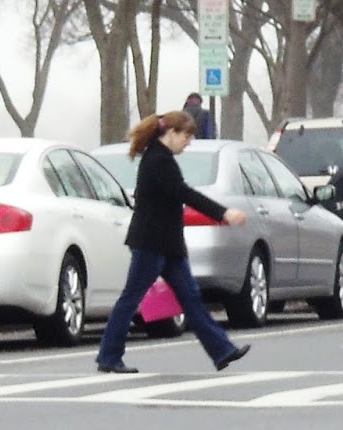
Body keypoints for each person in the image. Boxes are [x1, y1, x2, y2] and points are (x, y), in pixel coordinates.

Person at [96, 110, 251, 374]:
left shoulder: (161, 158)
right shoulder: (158, 161)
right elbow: (184, 193)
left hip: (167, 244)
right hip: (151, 243)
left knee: (191, 298)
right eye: (186, 136)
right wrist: (223, 213)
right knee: (131, 299)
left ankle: (222, 350)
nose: (189, 142)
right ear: (171, 133)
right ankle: (109, 356)